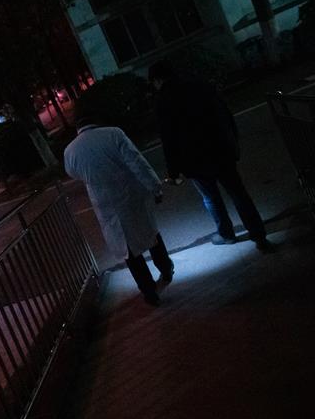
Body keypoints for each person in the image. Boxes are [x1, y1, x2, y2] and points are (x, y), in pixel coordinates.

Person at [148, 59, 275, 252]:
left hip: (194, 159)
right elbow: (224, 113)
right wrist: (232, 140)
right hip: (220, 149)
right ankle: (259, 236)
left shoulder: (163, 101)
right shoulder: (199, 85)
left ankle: (226, 234)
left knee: (211, 197)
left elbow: (168, 139)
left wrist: (173, 171)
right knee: (238, 193)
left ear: (157, 80)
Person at [64, 116, 174, 306]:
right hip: (130, 194)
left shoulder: (70, 150)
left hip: (104, 203)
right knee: (150, 234)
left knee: (127, 249)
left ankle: (148, 291)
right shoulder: (113, 133)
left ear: (78, 129)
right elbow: (137, 162)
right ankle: (165, 269)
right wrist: (155, 187)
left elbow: (73, 173)